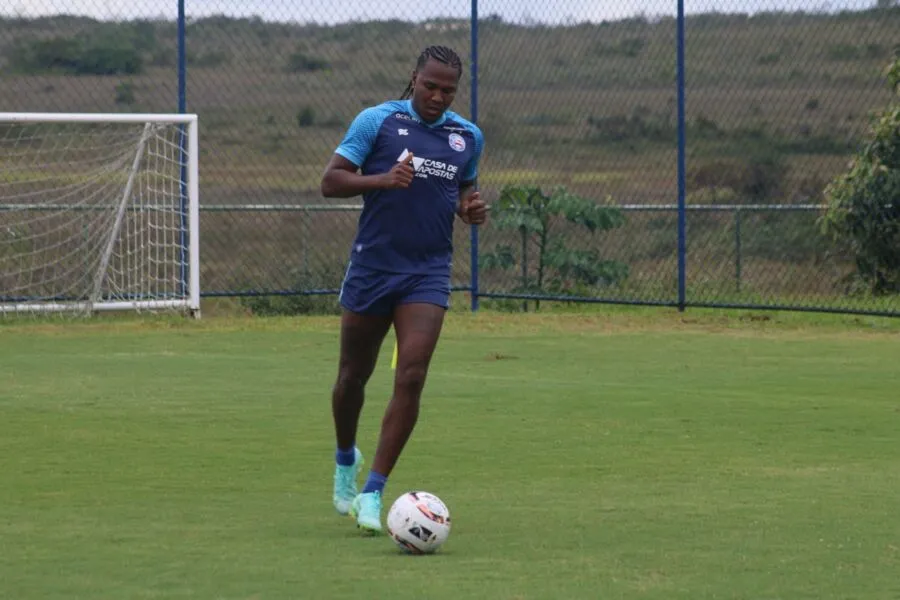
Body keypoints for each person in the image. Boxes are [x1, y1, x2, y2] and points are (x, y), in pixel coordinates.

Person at [320, 45, 487, 534]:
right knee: (352, 376)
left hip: (427, 271)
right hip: (373, 267)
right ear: (413, 78)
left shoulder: (467, 136)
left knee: (411, 375)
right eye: (430, 85)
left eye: (448, 90)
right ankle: (346, 458)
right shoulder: (377, 122)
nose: (437, 96)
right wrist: (382, 179)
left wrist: (471, 210)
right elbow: (330, 182)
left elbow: (462, 194)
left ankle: (372, 493)